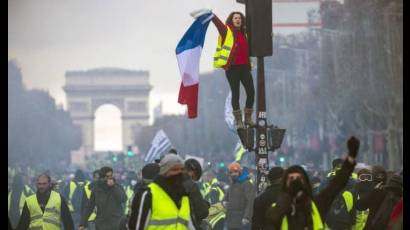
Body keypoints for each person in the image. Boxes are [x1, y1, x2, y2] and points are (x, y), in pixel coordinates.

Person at [265, 136, 360, 229]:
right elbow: (271, 220)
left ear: (305, 182)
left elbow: (336, 184)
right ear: (285, 183)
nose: (295, 181)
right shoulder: (276, 208)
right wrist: (286, 198)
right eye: (291, 178)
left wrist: (350, 158)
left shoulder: (317, 204)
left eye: (298, 178)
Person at [191, 9, 255, 129]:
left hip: (245, 68)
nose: (238, 20)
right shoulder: (227, 31)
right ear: (231, 20)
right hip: (232, 69)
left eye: (240, 18)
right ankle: (238, 121)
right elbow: (218, 24)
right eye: (235, 18)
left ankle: (248, 118)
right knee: (235, 93)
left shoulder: (245, 33)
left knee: (251, 92)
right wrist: (212, 15)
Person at [128, 154, 203, 230]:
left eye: (181, 170)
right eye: (175, 170)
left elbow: (192, 226)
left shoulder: (184, 197)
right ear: (164, 172)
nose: (179, 173)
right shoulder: (147, 194)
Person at [225, 162, 256, 230]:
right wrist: (225, 202)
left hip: (241, 220)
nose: (233, 174)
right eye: (231, 172)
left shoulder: (247, 184)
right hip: (231, 219)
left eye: (235, 171)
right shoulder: (232, 184)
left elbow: (250, 201)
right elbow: (226, 198)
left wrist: (246, 217)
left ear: (240, 172)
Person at [184, 158, 211, 229]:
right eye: (194, 178)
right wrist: (205, 204)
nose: (193, 181)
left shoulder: (170, 182)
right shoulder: (191, 186)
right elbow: (202, 212)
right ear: (193, 172)